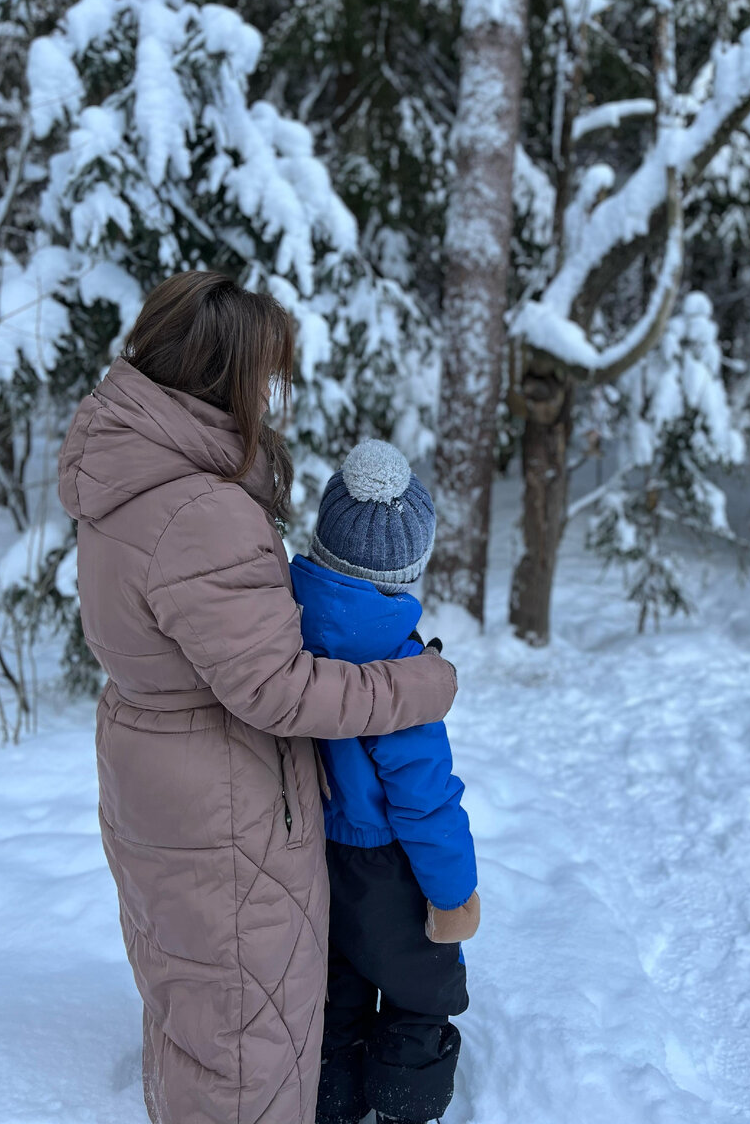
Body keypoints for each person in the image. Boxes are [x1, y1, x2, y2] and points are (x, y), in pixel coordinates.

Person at [57, 271, 458, 1124]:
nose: (272, 394)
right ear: (222, 373)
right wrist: (416, 686)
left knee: (197, 997)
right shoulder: (199, 508)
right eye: (267, 373)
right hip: (220, 795)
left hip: (156, 765)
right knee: (246, 1031)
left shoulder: (132, 473)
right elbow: (275, 689)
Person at [289, 439, 480, 1124]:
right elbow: (427, 804)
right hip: (387, 870)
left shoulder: (281, 638)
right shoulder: (400, 680)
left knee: (336, 991)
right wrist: (454, 894)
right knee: (417, 993)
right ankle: (403, 1105)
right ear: (407, 572)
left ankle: (331, 1105)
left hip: (309, 854)